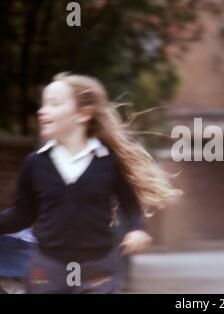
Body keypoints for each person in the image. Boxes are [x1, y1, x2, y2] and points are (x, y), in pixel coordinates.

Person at [0, 73, 180, 293]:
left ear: (83, 114)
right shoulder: (35, 163)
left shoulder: (107, 161)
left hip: (98, 268)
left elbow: (129, 204)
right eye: (43, 104)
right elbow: (22, 214)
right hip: (48, 268)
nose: (42, 110)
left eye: (54, 104)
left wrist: (136, 229)